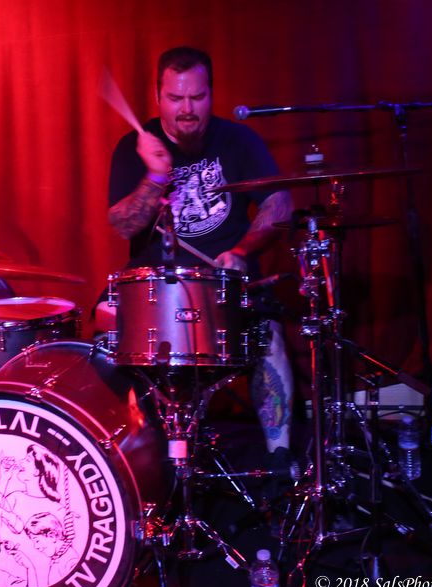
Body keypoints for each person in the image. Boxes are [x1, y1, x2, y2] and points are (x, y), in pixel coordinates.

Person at [96, 46, 295, 490]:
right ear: (158, 97)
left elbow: (279, 204)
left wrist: (242, 250)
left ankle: (279, 464)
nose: (186, 109)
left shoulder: (238, 141)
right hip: (157, 292)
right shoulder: (134, 147)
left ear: (211, 94)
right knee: (102, 325)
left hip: (225, 285)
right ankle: (132, 467)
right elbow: (123, 224)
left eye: (197, 97)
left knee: (269, 334)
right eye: (175, 98)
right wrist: (155, 177)